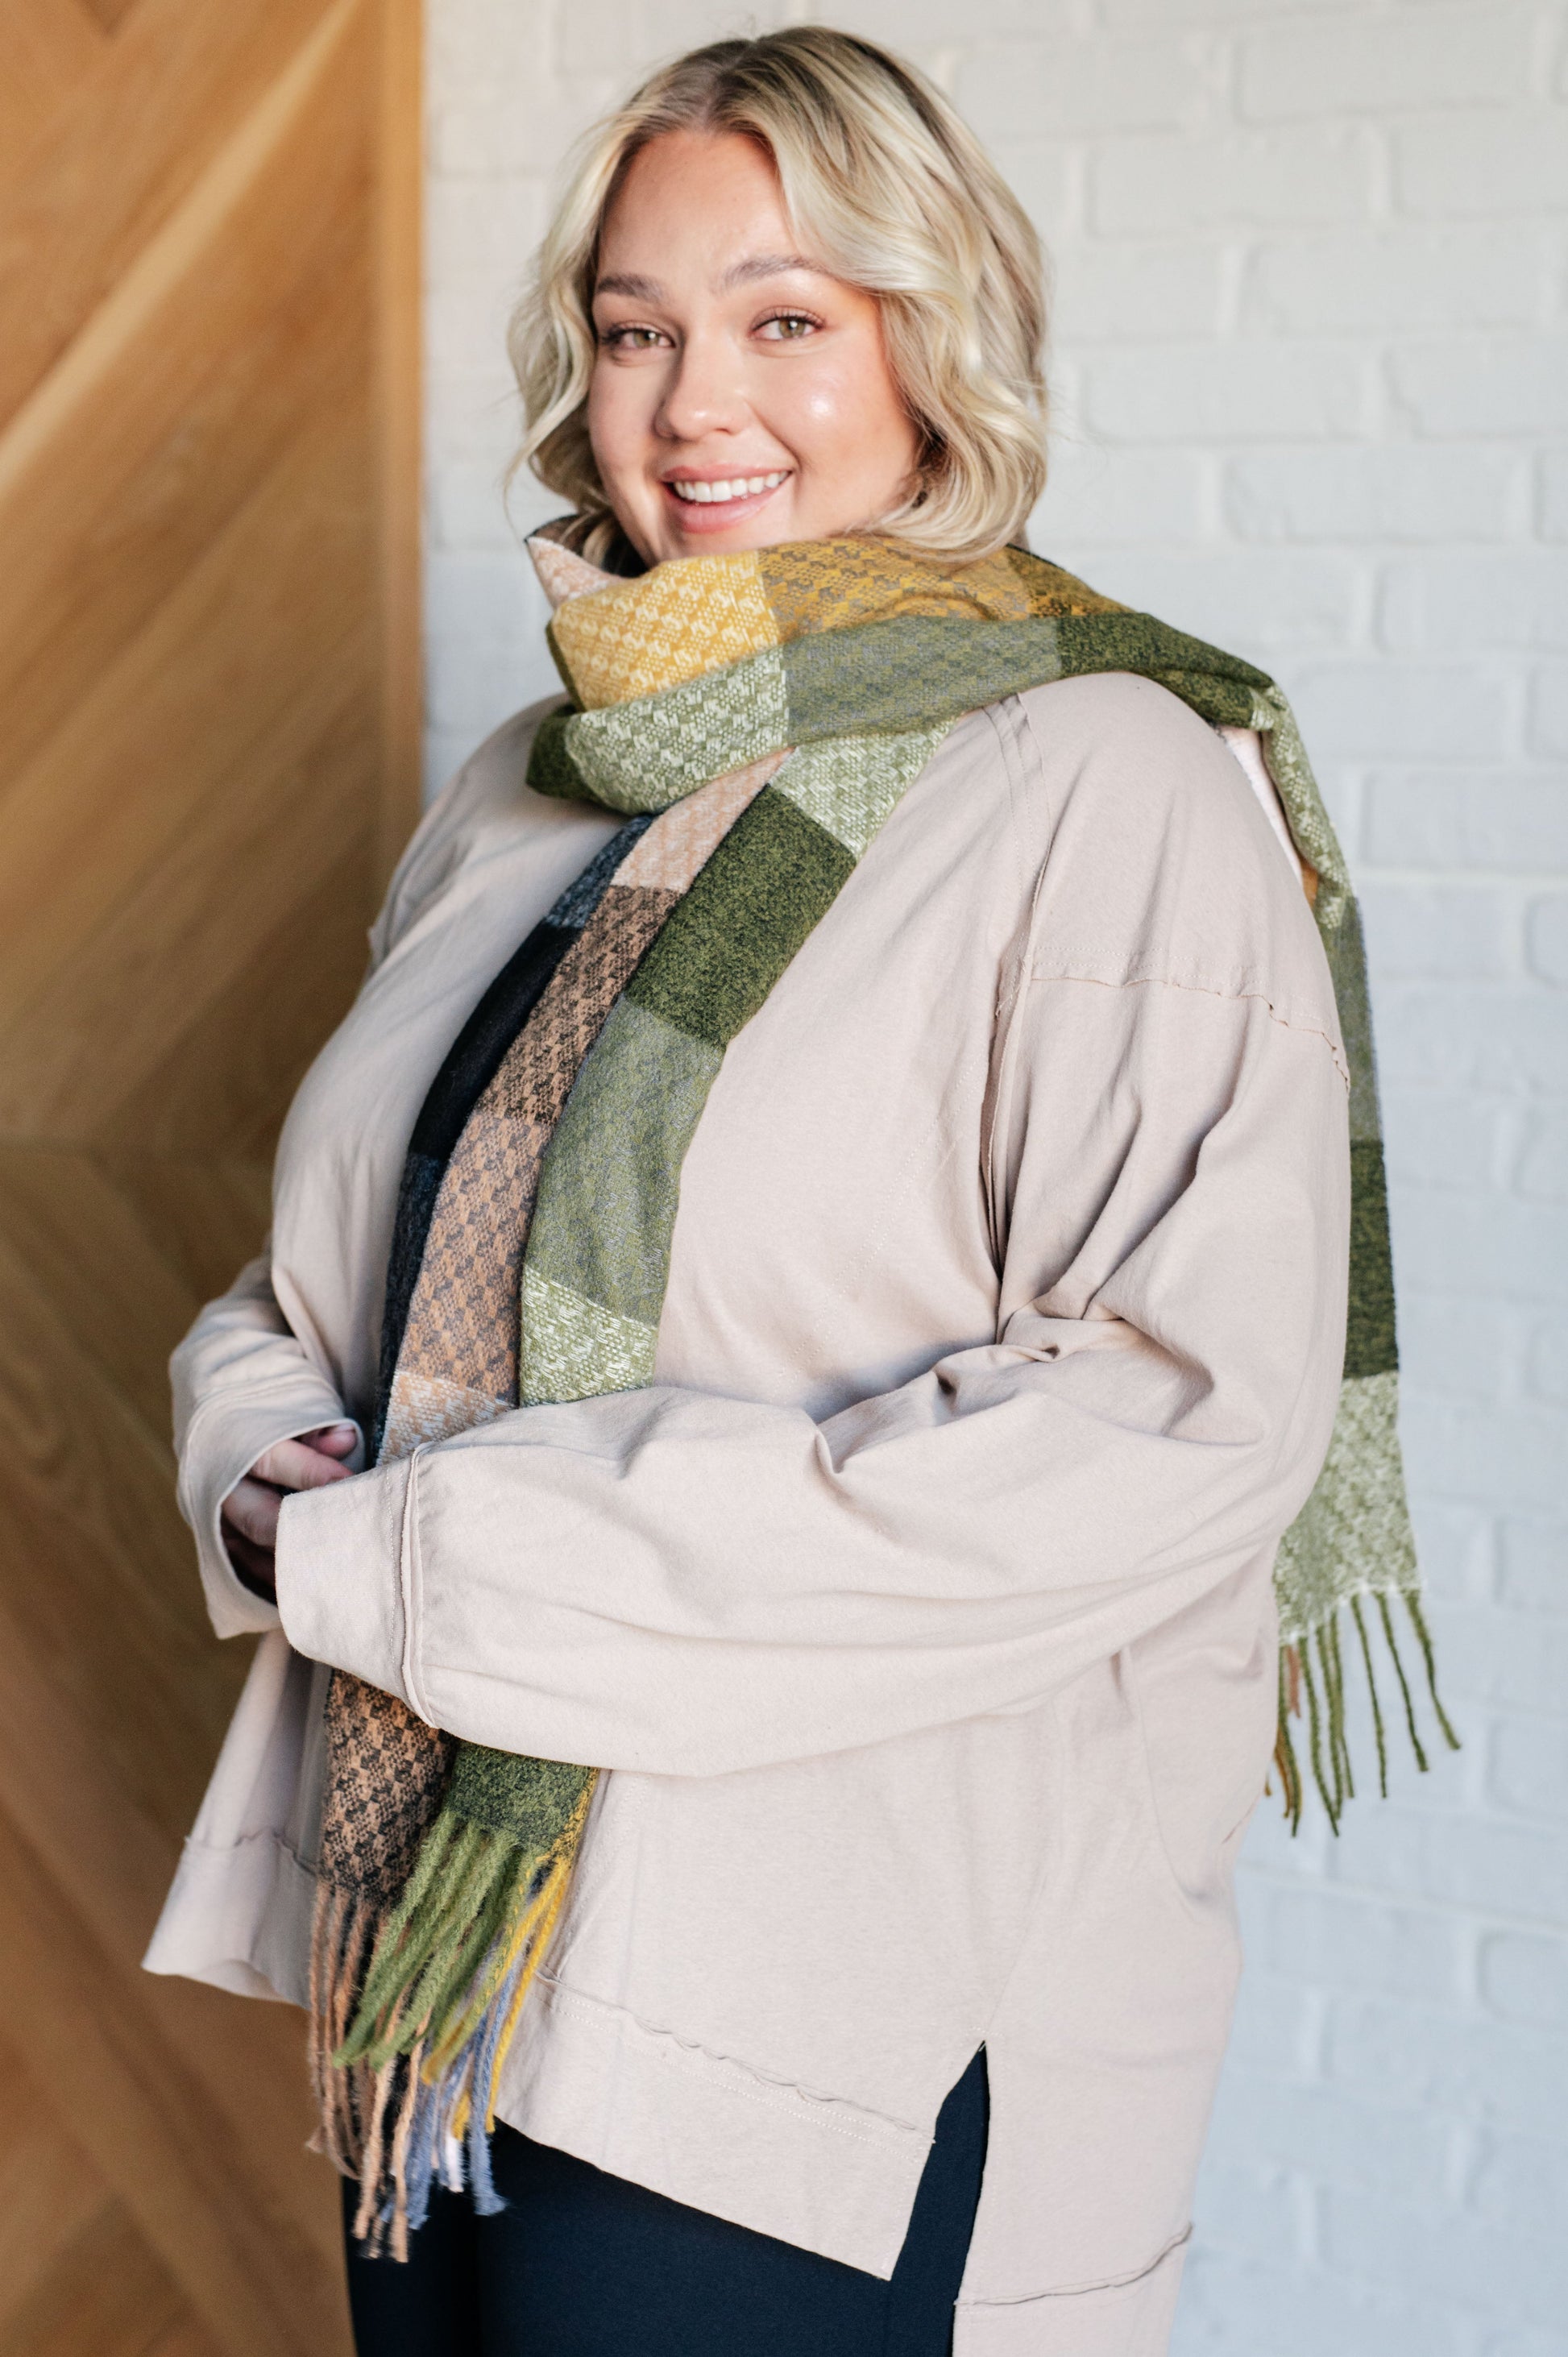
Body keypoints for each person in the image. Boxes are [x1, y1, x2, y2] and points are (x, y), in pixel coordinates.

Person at [146, 27, 1427, 2356]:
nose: (690, 399)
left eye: (783, 318)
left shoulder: (1098, 772)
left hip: (807, 1989)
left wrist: (435, 1556)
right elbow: (330, 1263)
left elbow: (1160, 1426)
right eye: (633, 327)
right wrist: (256, 1474)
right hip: (437, 1947)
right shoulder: (531, 788)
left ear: (933, 342)